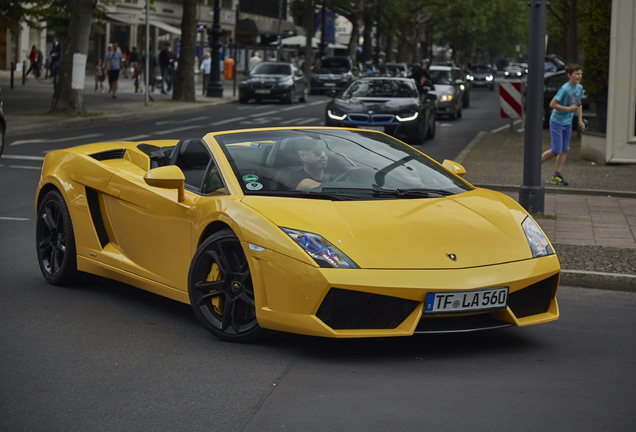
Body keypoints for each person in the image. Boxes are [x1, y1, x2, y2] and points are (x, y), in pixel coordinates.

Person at [541, 63, 586, 186]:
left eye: (580, 74)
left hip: (568, 123)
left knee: (564, 150)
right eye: (577, 74)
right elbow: (552, 104)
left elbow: (579, 104)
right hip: (557, 122)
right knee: (556, 150)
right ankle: (534, 165)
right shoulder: (565, 89)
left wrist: (580, 120)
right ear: (569, 75)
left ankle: (557, 176)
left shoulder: (579, 87)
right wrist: (567, 109)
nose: (579, 76)